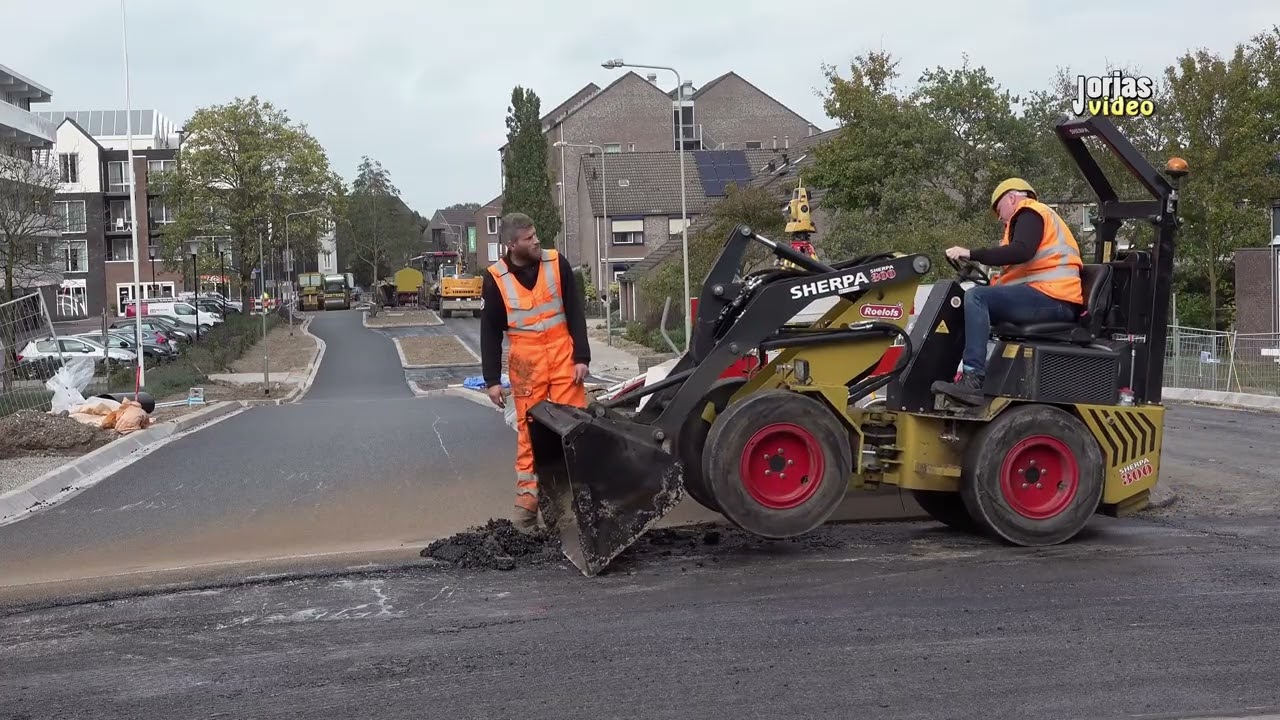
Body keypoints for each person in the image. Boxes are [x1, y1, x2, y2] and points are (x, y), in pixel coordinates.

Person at [480, 212, 591, 531]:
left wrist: (581, 356)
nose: (537, 241)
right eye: (529, 238)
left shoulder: (557, 263)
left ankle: (571, 507)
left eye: (535, 234)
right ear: (512, 244)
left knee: (574, 431)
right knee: (531, 438)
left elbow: (575, 310)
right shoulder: (495, 278)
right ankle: (527, 511)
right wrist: (491, 380)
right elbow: (489, 331)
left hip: (563, 359)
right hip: (526, 364)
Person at [931, 178, 1084, 405]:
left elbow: (1021, 251)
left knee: (977, 297)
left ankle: (973, 377)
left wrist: (971, 253)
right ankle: (958, 375)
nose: (1000, 217)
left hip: (1055, 299)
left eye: (999, 210)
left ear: (1012, 198)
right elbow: (1019, 270)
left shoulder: (1030, 212)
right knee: (973, 296)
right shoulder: (1030, 221)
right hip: (1044, 296)